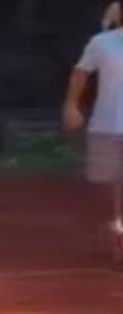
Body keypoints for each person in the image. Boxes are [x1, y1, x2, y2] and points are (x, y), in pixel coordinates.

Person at [64, 22, 123, 264]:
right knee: (106, 188)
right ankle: (113, 231)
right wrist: (71, 105)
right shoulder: (102, 42)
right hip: (107, 124)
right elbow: (81, 72)